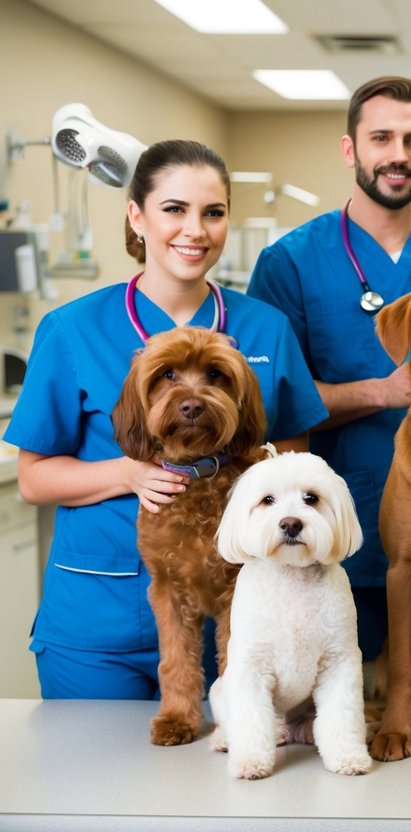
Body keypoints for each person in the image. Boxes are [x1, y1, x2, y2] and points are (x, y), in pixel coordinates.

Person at [5, 140, 327, 699]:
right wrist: (126, 473)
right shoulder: (72, 328)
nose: (194, 230)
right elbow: (33, 479)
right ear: (137, 215)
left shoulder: (266, 328)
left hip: (241, 620)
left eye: (213, 212)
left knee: (240, 751)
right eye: (174, 209)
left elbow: (293, 460)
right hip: (98, 622)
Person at [247, 77, 411, 662]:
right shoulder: (290, 262)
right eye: (381, 138)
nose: (397, 154)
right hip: (332, 532)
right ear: (350, 149)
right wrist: (381, 391)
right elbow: (268, 409)